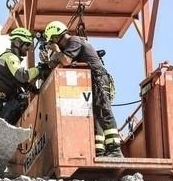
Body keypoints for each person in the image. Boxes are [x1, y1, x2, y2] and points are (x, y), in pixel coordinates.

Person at [43, 20, 123, 158]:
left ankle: (115, 150)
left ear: (56, 37)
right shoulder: (69, 46)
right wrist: (49, 61)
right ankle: (100, 151)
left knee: (104, 112)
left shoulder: (74, 41)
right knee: (96, 116)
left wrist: (56, 52)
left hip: (99, 79)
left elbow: (66, 61)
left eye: (52, 41)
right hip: (92, 81)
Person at [0, 27, 46, 125]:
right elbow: (22, 76)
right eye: (27, 44)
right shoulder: (10, 57)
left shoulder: (8, 58)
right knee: (21, 100)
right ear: (17, 42)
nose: (28, 48)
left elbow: (20, 82)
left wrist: (36, 90)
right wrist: (39, 69)